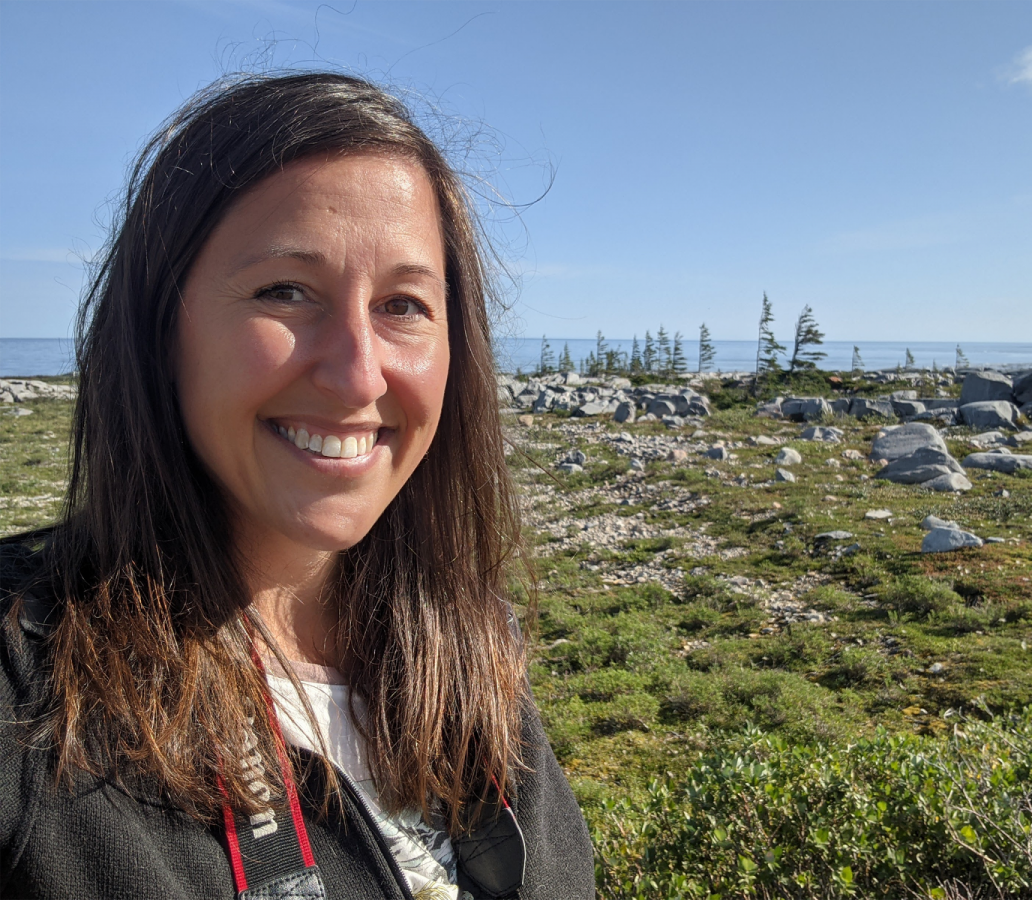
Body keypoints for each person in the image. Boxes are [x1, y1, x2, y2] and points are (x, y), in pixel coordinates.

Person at [0, 72, 594, 900]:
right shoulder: (29, 687)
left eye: (404, 304)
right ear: (158, 325)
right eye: (287, 291)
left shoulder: (463, 651)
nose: (357, 375)